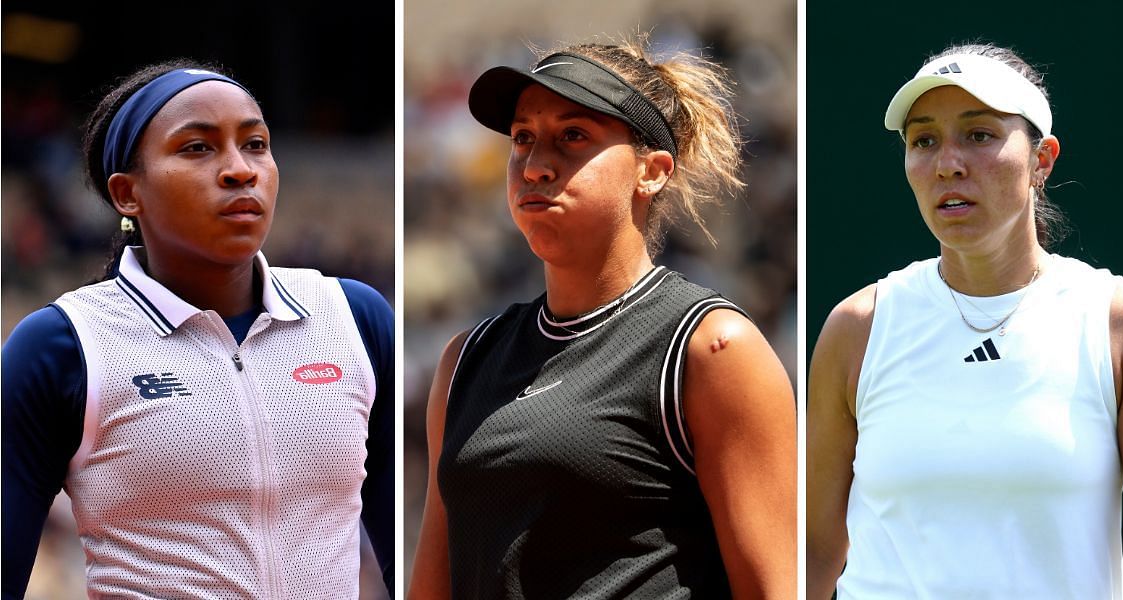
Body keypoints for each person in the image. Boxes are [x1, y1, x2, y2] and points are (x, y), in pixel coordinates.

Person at [407, 35, 796, 598]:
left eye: (572, 135)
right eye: (523, 138)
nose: (536, 166)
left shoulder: (711, 347)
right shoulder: (465, 359)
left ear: (651, 171)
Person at [807, 43, 1123, 598]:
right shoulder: (856, 328)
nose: (948, 163)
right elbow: (813, 551)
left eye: (979, 135)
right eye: (924, 140)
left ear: (1043, 160)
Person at [0, 60, 395, 598]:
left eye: (255, 144)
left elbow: (405, 559)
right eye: (197, 148)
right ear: (126, 194)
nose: (240, 169)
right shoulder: (63, 346)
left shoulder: (355, 317)